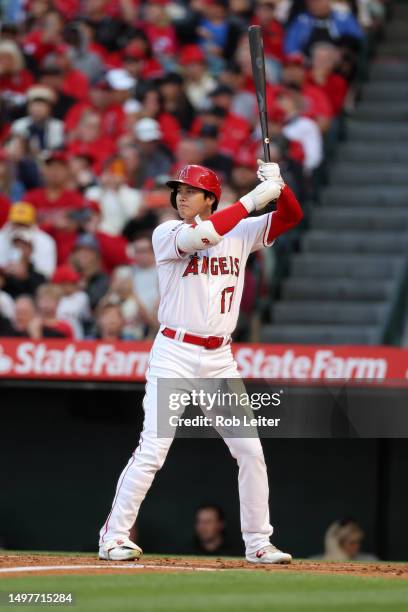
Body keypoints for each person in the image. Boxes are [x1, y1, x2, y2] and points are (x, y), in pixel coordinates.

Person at [98, 161, 303, 564]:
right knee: (153, 450)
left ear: (211, 197)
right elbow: (208, 234)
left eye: (190, 191)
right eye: (178, 190)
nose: (181, 196)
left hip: (218, 358)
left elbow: (292, 216)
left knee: (249, 451)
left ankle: (259, 542)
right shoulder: (167, 232)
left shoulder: (242, 231)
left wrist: (280, 187)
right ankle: (113, 537)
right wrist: (254, 198)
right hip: (174, 351)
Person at [0, 201, 57, 278]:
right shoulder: (2, 237)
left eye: (24, 224)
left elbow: (47, 274)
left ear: (32, 224)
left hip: (32, 284)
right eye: (17, 224)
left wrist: (26, 267)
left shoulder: (45, 242)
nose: (20, 228)